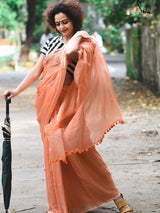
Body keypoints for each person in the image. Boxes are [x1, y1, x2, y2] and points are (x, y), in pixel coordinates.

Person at [4, 1, 133, 213]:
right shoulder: (50, 44)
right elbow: (37, 70)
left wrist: (81, 35)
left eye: (66, 22)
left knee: (80, 149)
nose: (62, 27)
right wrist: (17, 91)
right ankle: (60, 204)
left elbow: (70, 51)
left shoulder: (83, 43)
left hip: (71, 103)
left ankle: (115, 195)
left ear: (74, 21)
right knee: (55, 149)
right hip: (48, 103)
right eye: (58, 23)